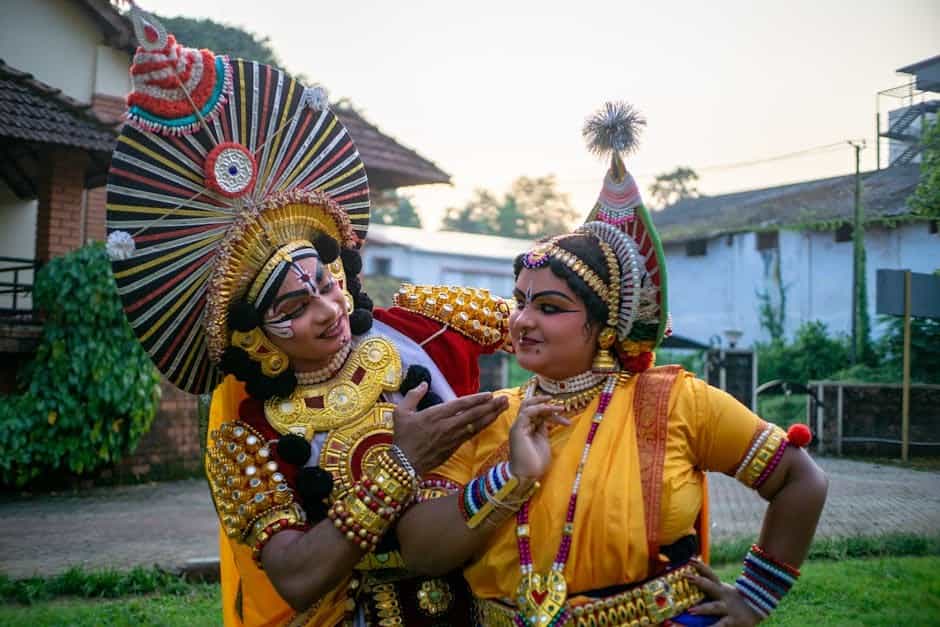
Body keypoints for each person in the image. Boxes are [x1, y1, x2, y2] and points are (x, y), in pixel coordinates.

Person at [105, 6, 513, 625]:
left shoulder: (428, 324)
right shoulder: (246, 437)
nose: (327, 311)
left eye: (325, 284)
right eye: (294, 308)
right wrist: (396, 468)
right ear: (255, 338)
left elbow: (556, 332)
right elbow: (296, 578)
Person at [396, 102, 828, 626]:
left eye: (550, 308)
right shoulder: (486, 418)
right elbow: (421, 552)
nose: (524, 320)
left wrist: (756, 597)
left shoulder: (673, 401)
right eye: (521, 301)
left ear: (604, 327)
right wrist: (512, 476)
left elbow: (799, 480)